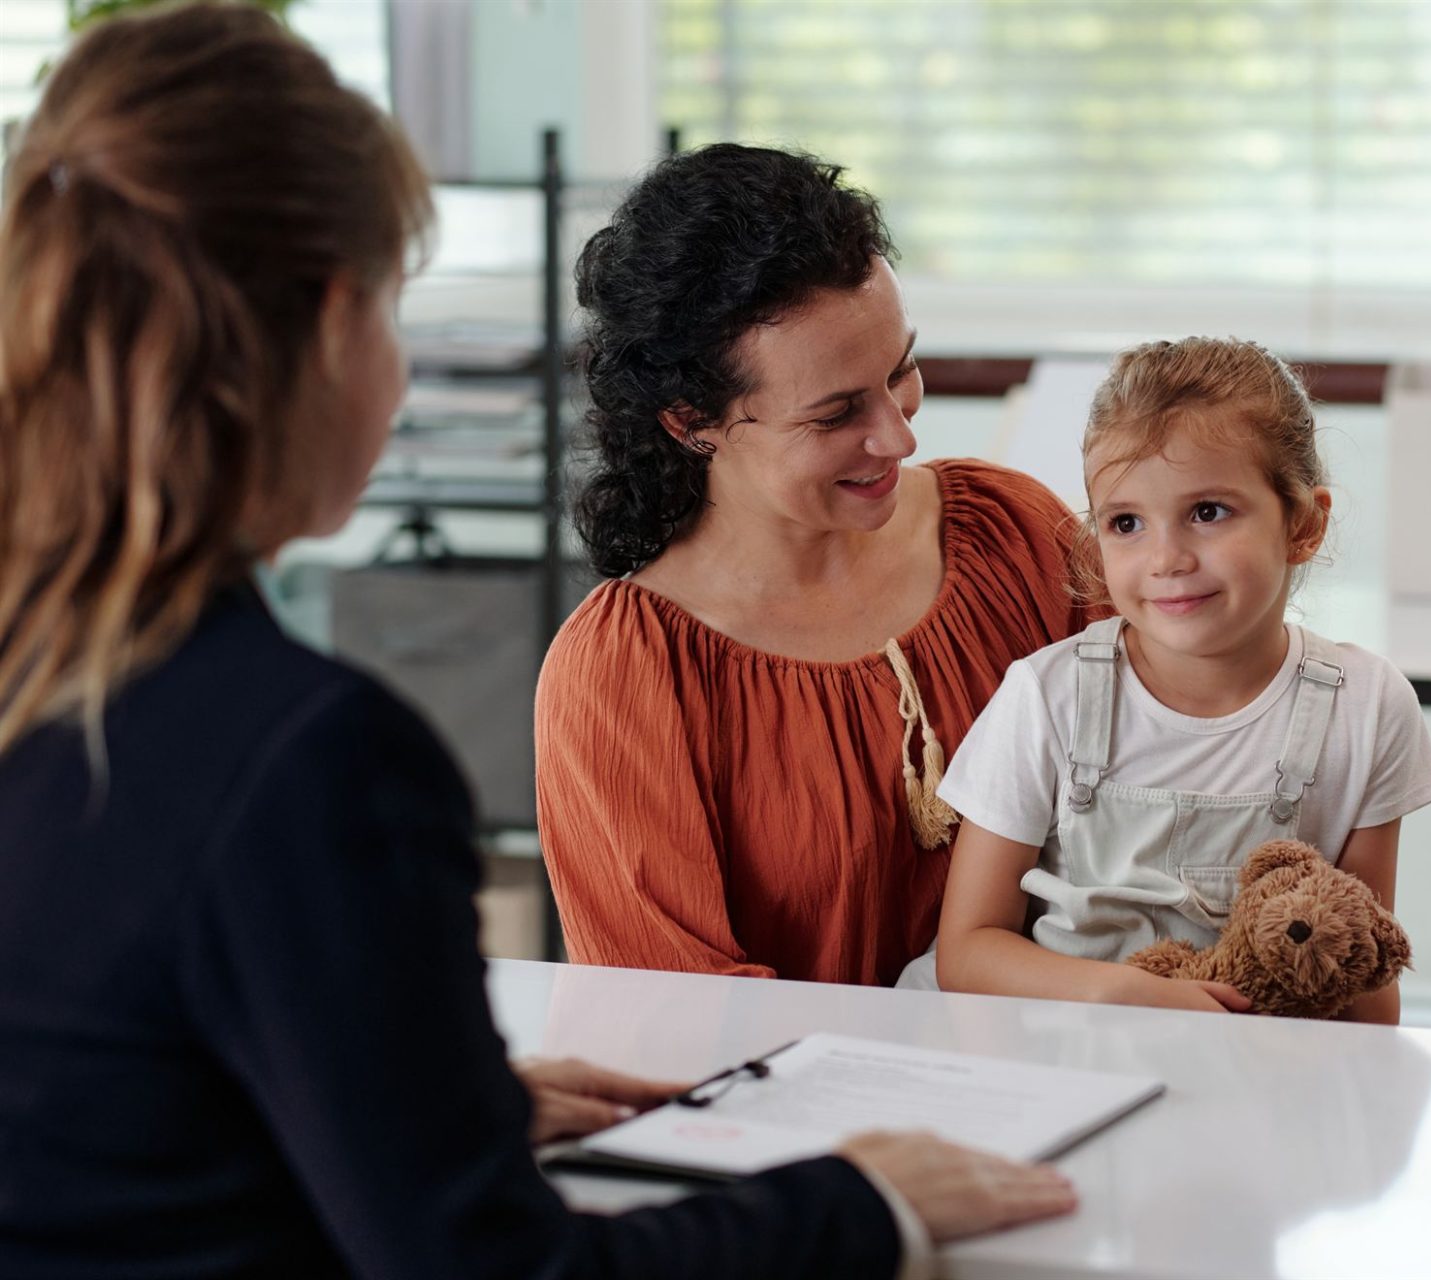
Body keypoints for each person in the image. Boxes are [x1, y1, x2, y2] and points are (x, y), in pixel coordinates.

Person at [0, 7, 1073, 1278]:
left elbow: (127, 1100)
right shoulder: (311, 756)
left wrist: (447, 1106)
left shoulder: (54, 683)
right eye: (399, 310)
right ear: (339, 323)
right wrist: (865, 1201)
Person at [535, 144, 1092, 984]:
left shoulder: (1016, 535)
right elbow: (673, 1023)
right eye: (835, 415)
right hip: (816, 1117)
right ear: (694, 422)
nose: (900, 438)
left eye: (901, 369)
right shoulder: (625, 676)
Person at [927, 338, 1431, 1021]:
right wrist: (1125, 994)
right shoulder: (1045, 696)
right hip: (1058, 1062)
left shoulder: (1368, 707)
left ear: (1304, 523)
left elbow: (1362, 971)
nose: (1166, 558)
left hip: (1253, 1080)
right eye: (1126, 523)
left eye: (1208, 512)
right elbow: (966, 952)